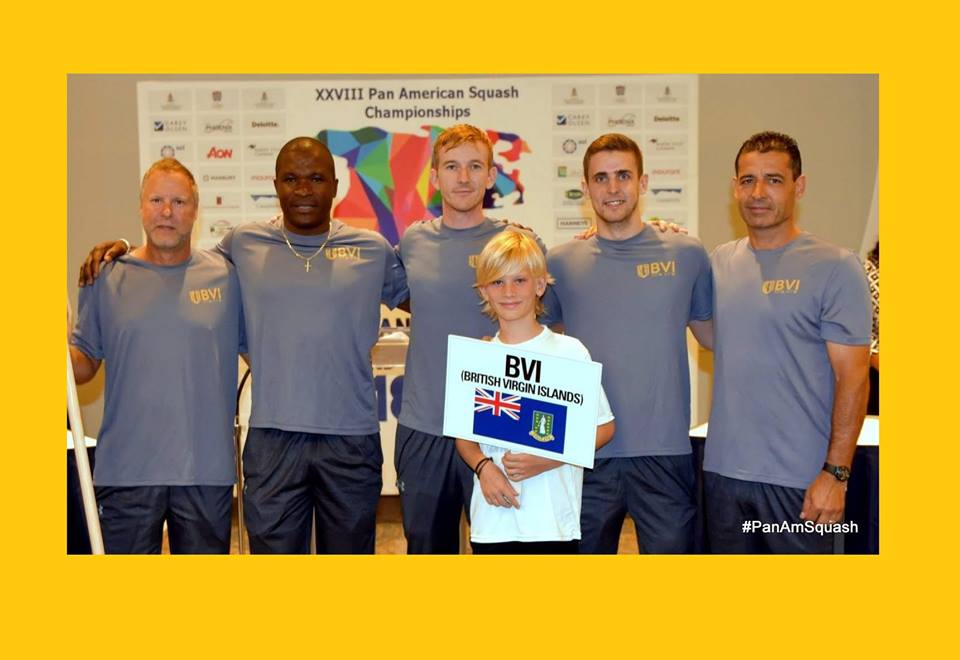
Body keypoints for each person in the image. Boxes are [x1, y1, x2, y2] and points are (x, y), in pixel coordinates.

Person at [78, 138, 408, 554]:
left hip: (350, 440)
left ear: (336, 186)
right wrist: (124, 249)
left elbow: (431, 300)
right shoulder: (243, 244)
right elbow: (170, 256)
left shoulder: (373, 249)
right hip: (273, 442)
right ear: (276, 185)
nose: (303, 189)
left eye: (316, 178)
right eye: (291, 179)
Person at [541, 133, 713, 553]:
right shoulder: (560, 262)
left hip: (664, 454)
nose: (613, 187)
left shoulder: (686, 254)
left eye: (623, 175)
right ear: (585, 188)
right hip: (585, 453)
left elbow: (714, 337)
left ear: (643, 182)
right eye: (601, 178)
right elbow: (534, 342)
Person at [704, 131, 871, 554]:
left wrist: (836, 474)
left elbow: (854, 377)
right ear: (735, 187)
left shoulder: (836, 267)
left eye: (774, 180)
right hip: (723, 478)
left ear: (799, 186)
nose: (758, 193)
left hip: (801, 483)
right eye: (748, 180)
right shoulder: (718, 263)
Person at [69, 158, 244, 554]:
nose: (167, 212)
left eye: (179, 202)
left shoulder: (228, 277)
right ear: (140, 207)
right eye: (156, 200)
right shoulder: (105, 276)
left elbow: (264, 350)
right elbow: (83, 364)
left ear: (195, 211)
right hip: (126, 472)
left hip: (205, 473)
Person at [393, 124, 549, 553]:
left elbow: (549, 326)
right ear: (434, 177)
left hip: (499, 428)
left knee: (504, 553)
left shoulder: (518, 242)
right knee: (428, 553)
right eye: (451, 167)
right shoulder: (414, 241)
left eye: (475, 166)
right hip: (426, 426)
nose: (463, 178)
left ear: (491, 175)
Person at [455, 230, 615, 554]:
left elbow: (603, 428)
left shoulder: (569, 352)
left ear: (540, 285)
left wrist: (547, 459)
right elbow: (464, 438)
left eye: (520, 280)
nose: (509, 292)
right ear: (484, 290)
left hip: (554, 524)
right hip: (492, 523)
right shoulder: (478, 358)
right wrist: (483, 468)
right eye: (497, 282)